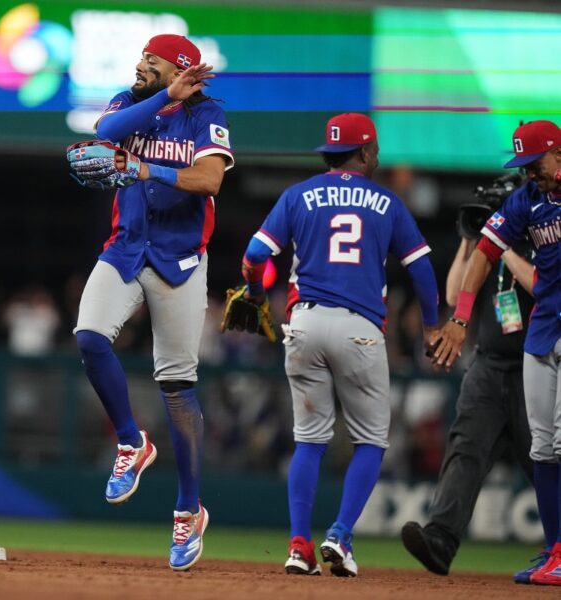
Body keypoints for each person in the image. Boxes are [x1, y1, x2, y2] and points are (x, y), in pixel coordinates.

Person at [238, 113, 440, 577]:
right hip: (359, 328)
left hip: (305, 324)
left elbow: (255, 256)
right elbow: (422, 269)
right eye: (375, 150)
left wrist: (253, 293)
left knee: (309, 442)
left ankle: (298, 546)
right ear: (365, 152)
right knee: (370, 441)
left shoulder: (298, 194)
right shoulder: (387, 202)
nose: (377, 156)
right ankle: (341, 535)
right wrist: (431, 327)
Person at [72, 33, 233, 571]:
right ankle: (130, 442)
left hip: (180, 258)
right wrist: (164, 96)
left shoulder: (207, 114)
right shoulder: (131, 102)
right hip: (126, 247)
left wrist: (149, 169)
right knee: (89, 337)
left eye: (152, 59)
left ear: (180, 68)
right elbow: (104, 133)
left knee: (178, 387)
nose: (140, 64)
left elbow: (210, 179)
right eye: (142, 56)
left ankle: (188, 510)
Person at [430, 120, 561, 586]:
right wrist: (461, 318)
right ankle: (554, 551)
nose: (530, 174)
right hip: (537, 337)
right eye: (523, 167)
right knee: (542, 448)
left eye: (535, 164)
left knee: (557, 445)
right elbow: (482, 256)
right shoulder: (527, 200)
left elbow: (537, 281)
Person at [401, 230, 535, 576]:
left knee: (546, 462)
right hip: (489, 364)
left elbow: (541, 285)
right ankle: (440, 540)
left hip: (538, 367)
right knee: (465, 448)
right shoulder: (491, 244)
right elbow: (452, 294)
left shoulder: (547, 232)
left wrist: (502, 247)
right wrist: (470, 240)